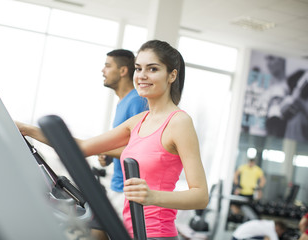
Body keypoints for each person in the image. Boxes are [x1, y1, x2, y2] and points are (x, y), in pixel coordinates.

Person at [16, 39, 209, 239]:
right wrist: (27, 129)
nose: (142, 76)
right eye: (138, 68)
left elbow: (201, 196)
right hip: (126, 231)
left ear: (172, 75)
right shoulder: (139, 121)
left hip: (155, 234)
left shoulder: (179, 122)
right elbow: (81, 148)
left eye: (152, 69)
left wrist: (153, 196)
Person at [98, 49, 148, 219]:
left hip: (127, 191)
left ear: (123, 71)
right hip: (117, 185)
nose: (103, 70)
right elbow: (125, 143)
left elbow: (139, 149)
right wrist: (109, 156)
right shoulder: (123, 102)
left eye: (107, 66)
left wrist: (106, 150)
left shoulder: (137, 101)